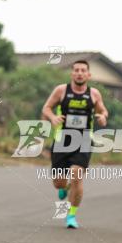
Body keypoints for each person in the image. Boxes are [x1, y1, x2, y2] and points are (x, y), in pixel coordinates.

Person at [41, 59, 108, 229]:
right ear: (72, 73)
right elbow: (46, 108)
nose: (79, 73)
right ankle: (65, 187)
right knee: (59, 183)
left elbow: (103, 110)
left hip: (84, 139)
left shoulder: (94, 94)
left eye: (83, 70)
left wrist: (102, 117)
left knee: (77, 174)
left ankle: (71, 215)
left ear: (88, 74)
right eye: (76, 70)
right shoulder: (61, 90)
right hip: (62, 140)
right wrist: (53, 117)